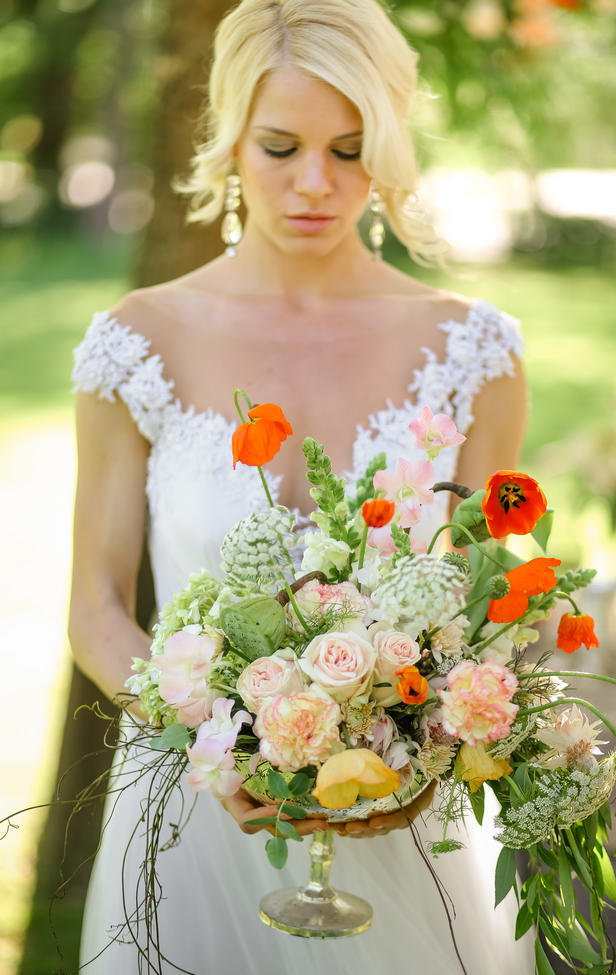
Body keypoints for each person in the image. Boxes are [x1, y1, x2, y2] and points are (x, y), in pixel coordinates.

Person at [69, 0, 533, 971]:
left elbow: (496, 607)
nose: (315, 184)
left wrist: (429, 749)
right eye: (279, 146)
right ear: (229, 136)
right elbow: (97, 608)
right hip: (188, 821)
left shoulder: (474, 353)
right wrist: (214, 746)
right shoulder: (136, 342)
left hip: (401, 822)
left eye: (350, 149)